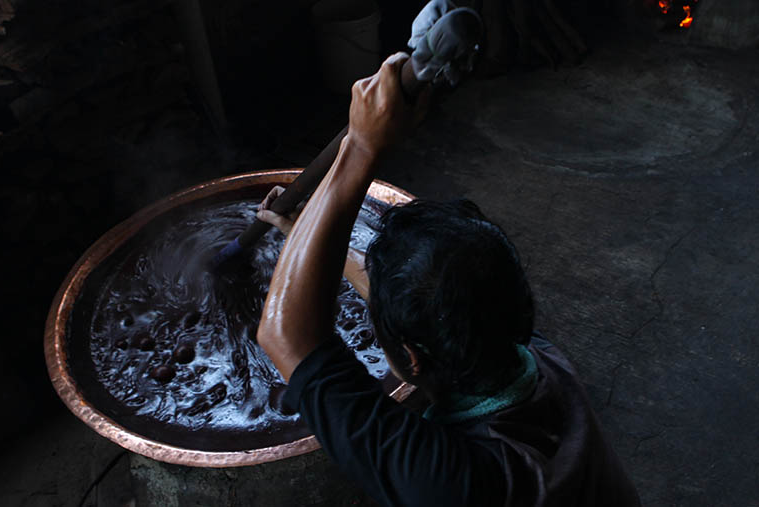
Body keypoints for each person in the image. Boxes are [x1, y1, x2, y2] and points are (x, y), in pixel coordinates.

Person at [255, 52, 641, 506]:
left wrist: (360, 146)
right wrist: (304, 232)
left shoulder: (453, 480)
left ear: (414, 359)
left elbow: (286, 338)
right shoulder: (532, 355)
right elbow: (425, 296)